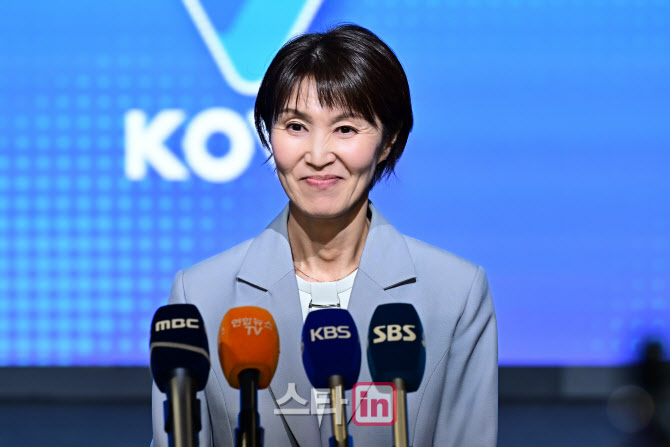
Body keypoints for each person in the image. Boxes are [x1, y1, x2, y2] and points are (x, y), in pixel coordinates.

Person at [151, 24, 497, 447]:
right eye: (296, 126)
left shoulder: (455, 293)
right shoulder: (201, 295)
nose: (317, 156)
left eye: (345, 129)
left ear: (388, 141)